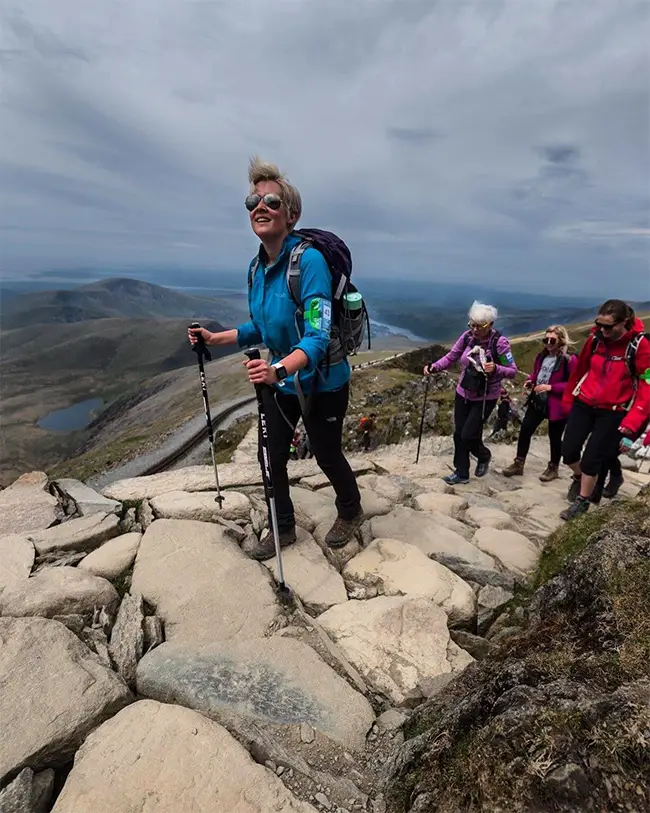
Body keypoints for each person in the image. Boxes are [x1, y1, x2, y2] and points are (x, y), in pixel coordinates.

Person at [188, 156, 363, 557]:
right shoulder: (257, 268)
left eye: (271, 202)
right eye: (253, 202)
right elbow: (263, 327)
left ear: (292, 214)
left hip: (323, 380)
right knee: (271, 456)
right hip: (280, 378)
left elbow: (318, 336)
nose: (260, 208)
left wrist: (277, 368)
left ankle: (351, 510)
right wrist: (217, 338)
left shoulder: (310, 263)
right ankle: (282, 527)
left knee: (325, 453)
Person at [559, 300, 650, 521]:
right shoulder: (595, 340)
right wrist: (568, 401)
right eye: (599, 324)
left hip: (614, 410)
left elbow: (647, 383)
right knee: (569, 451)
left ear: (625, 323)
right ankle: (582, 479)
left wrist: (634, 418)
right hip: (584, 402)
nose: (603, 330)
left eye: (608, 326)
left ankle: (583, 502)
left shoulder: (640, 346)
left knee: (593, 458)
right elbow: (580, 370)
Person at [424, 301, 517, 484]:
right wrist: (434, 367)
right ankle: (461, 472)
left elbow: (512, 370)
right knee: (459, 434)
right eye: (471, 324)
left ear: (490, 325)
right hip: (463, 392)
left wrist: (496, 368)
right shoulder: (467, 337)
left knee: (468, 435)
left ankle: (483, 455)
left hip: (485, 397)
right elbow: (451, 356)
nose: (474, 329)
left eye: (478, 326)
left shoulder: (500, 343)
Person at [502, 325, 577, 482]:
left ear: (561, 340)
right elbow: (537, 373)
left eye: (552, 340)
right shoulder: (541, 356)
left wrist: (551, 387)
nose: (548, 343)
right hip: (538, 401)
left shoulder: (569, 360)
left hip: (557, 404)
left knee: (555, 437)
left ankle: (553, 468)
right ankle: (518, 463)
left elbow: (573, 384)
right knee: (525, 430)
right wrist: (531, 380)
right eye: (546, 339)